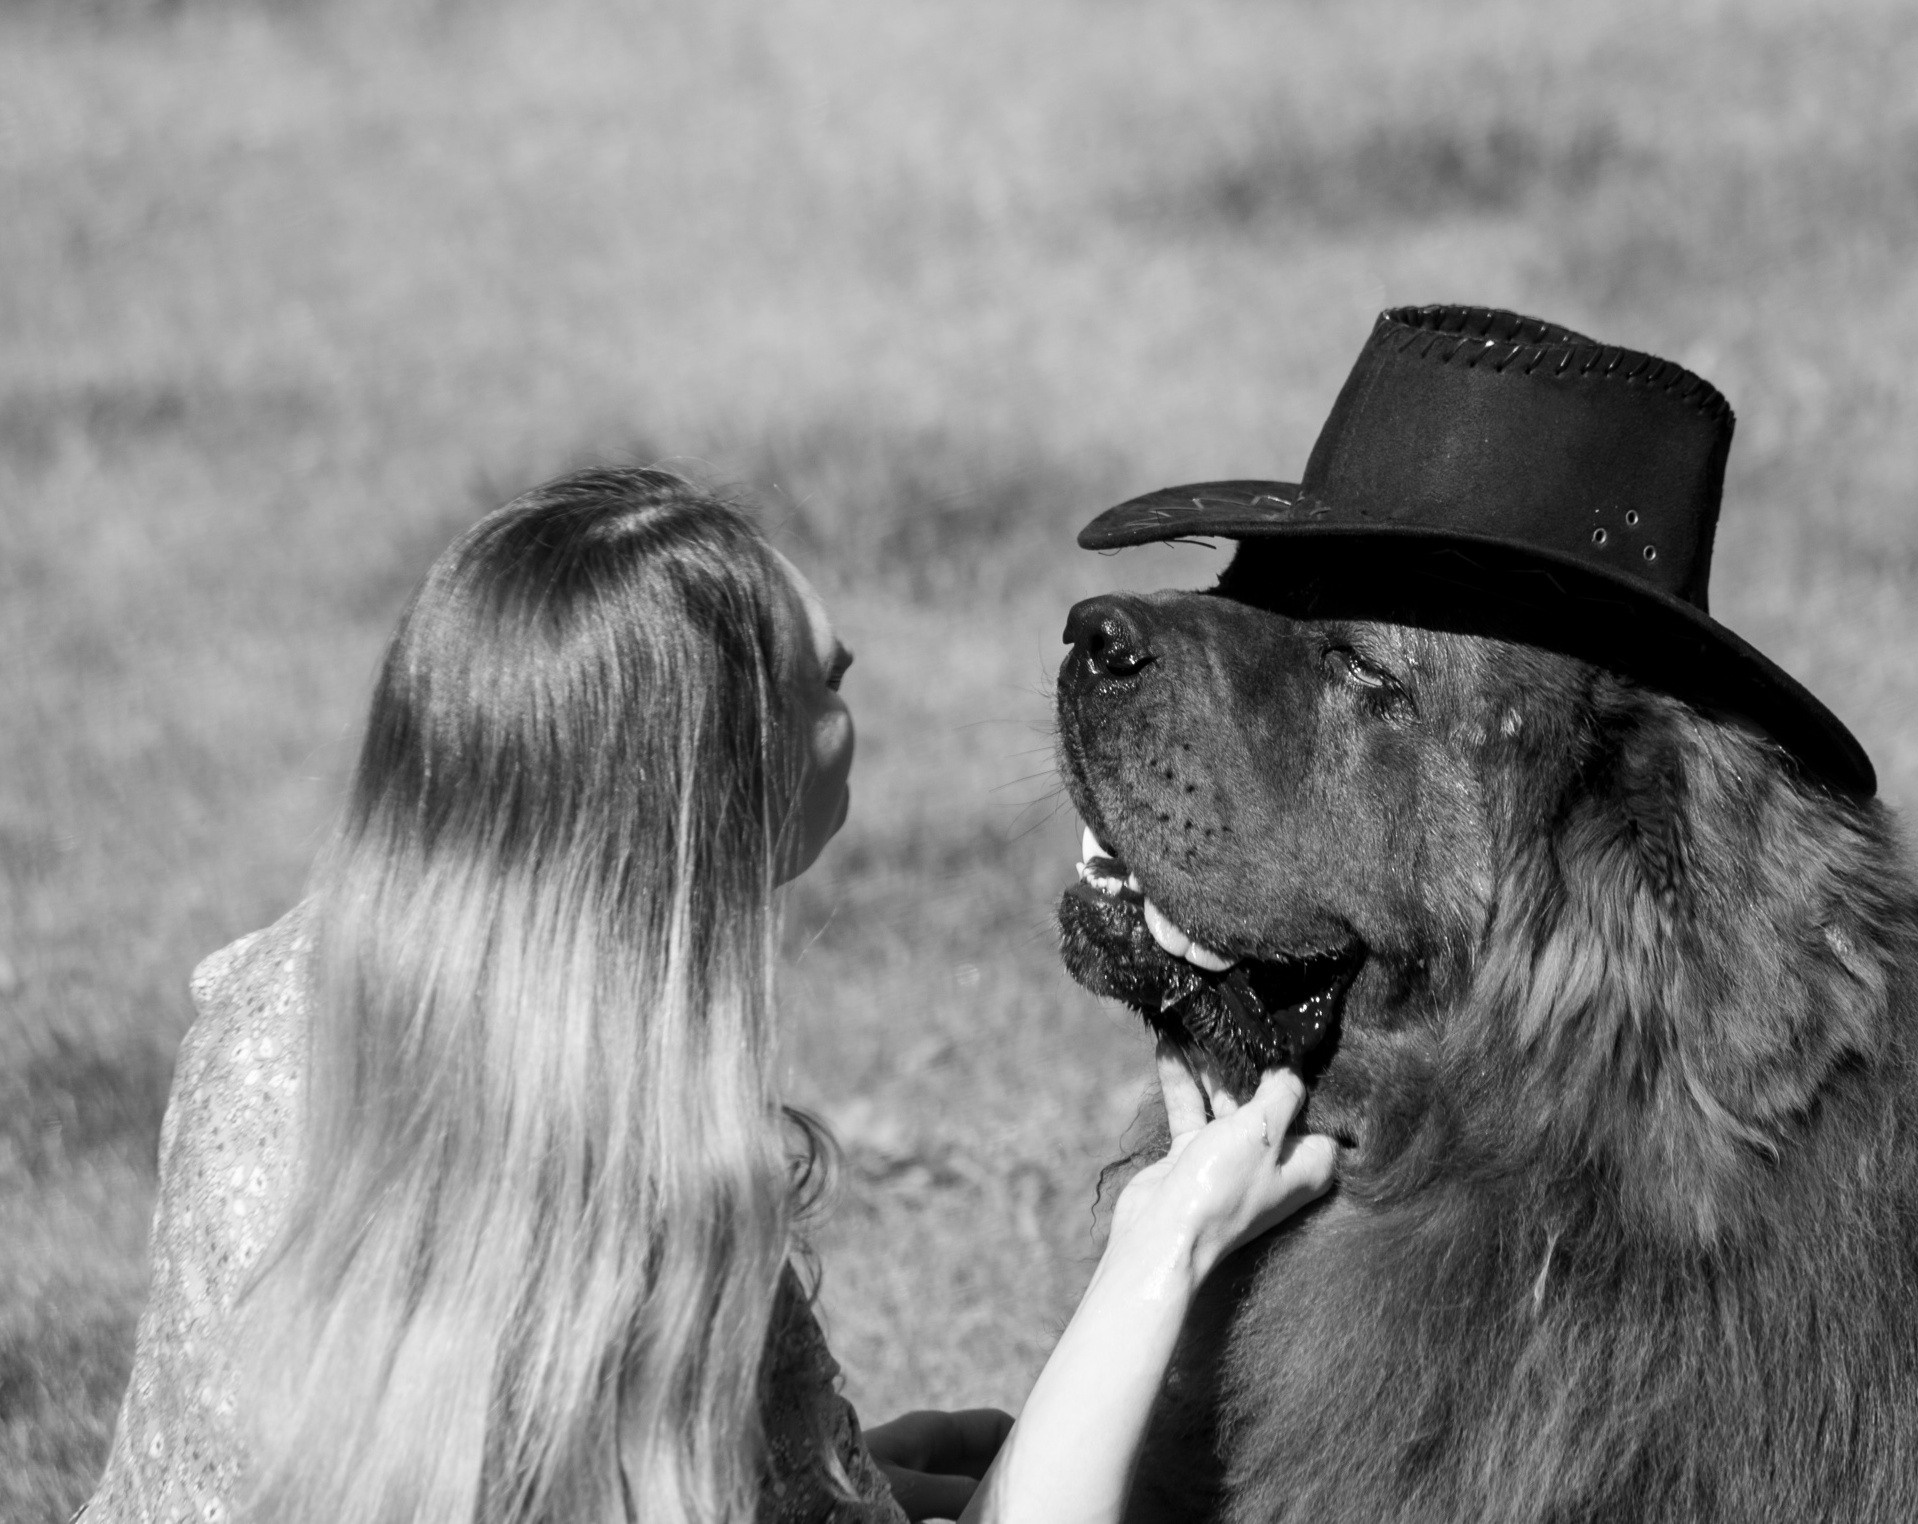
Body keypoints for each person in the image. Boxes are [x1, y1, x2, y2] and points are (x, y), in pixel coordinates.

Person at [78, 467, 1335, 1524]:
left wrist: (815, 1469)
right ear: (724, 772)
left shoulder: (272, 999)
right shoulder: (641, 1174)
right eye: (826, 682)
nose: (854, 692)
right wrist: (1162, 1244)